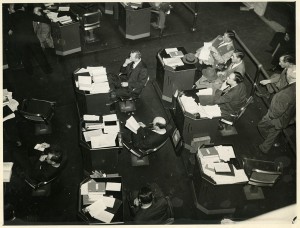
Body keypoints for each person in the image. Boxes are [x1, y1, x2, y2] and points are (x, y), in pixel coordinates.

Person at [257, 65, 296, 154]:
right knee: (275, 131)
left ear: (288, 76)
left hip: (277, 118)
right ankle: (265, 147)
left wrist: (270, 117)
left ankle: (267, 138)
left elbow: (276, 112)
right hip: (289, 117)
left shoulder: (286, 94)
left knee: (261, 126)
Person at [8, 3, 53, 75]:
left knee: (24, 57)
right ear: (22, 7)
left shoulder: (11, 16)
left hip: (20, 40)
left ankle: (30, 72)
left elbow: (11, 27)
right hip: (31, 38)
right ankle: (47, 71)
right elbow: (40, 18)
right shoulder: (27, 13)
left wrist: (12, 29)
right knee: (39, 54)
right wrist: (49, 20)